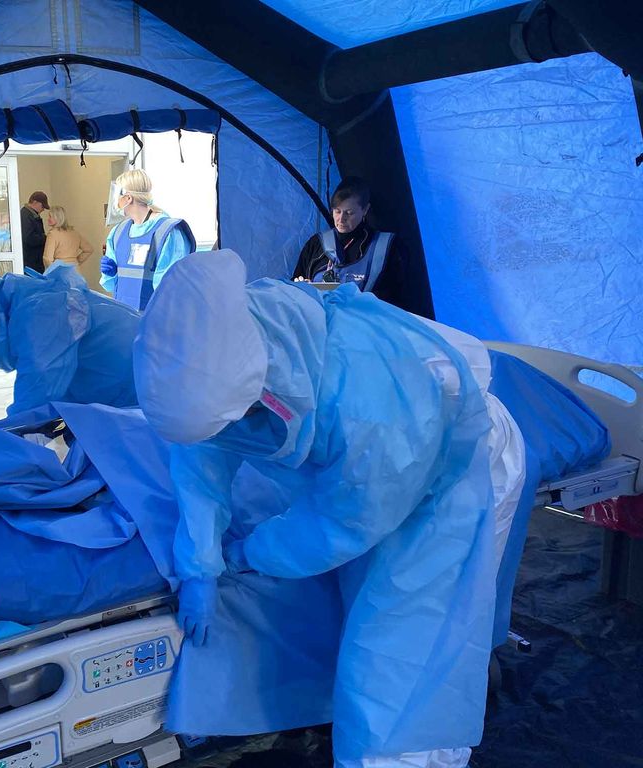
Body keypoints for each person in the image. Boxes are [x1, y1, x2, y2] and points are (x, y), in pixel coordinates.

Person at [134, 250, 502, 768]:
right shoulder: (235, 340)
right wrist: (199, 565)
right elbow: (201, 453)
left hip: (444, 474)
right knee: (373, 627)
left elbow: (343, 522)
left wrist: (249, 552)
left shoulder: (372, 412)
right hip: (380, 468)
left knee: (395, 674)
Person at [0, 261, 140, 415]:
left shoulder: (40, 314)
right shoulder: (25, 306)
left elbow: (34, 400)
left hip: (147, 387)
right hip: (135, 390)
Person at [293, 176, 432, 318]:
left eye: (349, 213)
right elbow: (294, 289)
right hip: (318, 322)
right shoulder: (316, 244)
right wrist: (304, 288)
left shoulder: (388, 248)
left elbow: (399, 300)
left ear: (365, 210)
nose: (341, 219)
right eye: (337, 211)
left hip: (365, 325)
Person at [100, 169, 195, 311]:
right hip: (124, 315)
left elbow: (172, 290)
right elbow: (109, 284)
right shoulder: (118, 232)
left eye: (117, 195)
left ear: (128, 198)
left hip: (156, 320)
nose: (115, 202)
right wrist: (111, 273)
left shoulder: (167, 232)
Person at [43, 206, 94, 274]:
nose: (48, 219)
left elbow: (47, 259)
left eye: (50, 216)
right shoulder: (74, 233)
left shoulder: (52, 234)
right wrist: (77, 260)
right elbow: (89, 249)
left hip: (60, 270)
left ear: (57, 218)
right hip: (75, 270)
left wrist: (52, 272)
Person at [20, 191, 49, 273]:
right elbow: (28, 238)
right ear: (35, 202)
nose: (43, 209)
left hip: (33, 261)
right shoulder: (26, 215)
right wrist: (45, 238)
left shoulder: (30, 214)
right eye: (42, 206)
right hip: (31, 262)